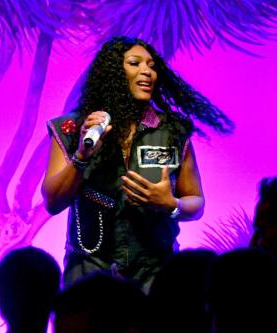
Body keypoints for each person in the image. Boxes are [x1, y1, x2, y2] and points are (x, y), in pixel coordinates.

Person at [41, 37, 230, 290]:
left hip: (154, 274)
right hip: (89, 273)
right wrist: (82, 156)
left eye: (152, 66)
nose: (147, 71)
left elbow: (196, 203)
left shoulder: (173, 130)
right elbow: (53, 202)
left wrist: (171, 205)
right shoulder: (74, 129)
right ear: (113, 73)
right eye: (135, 63)